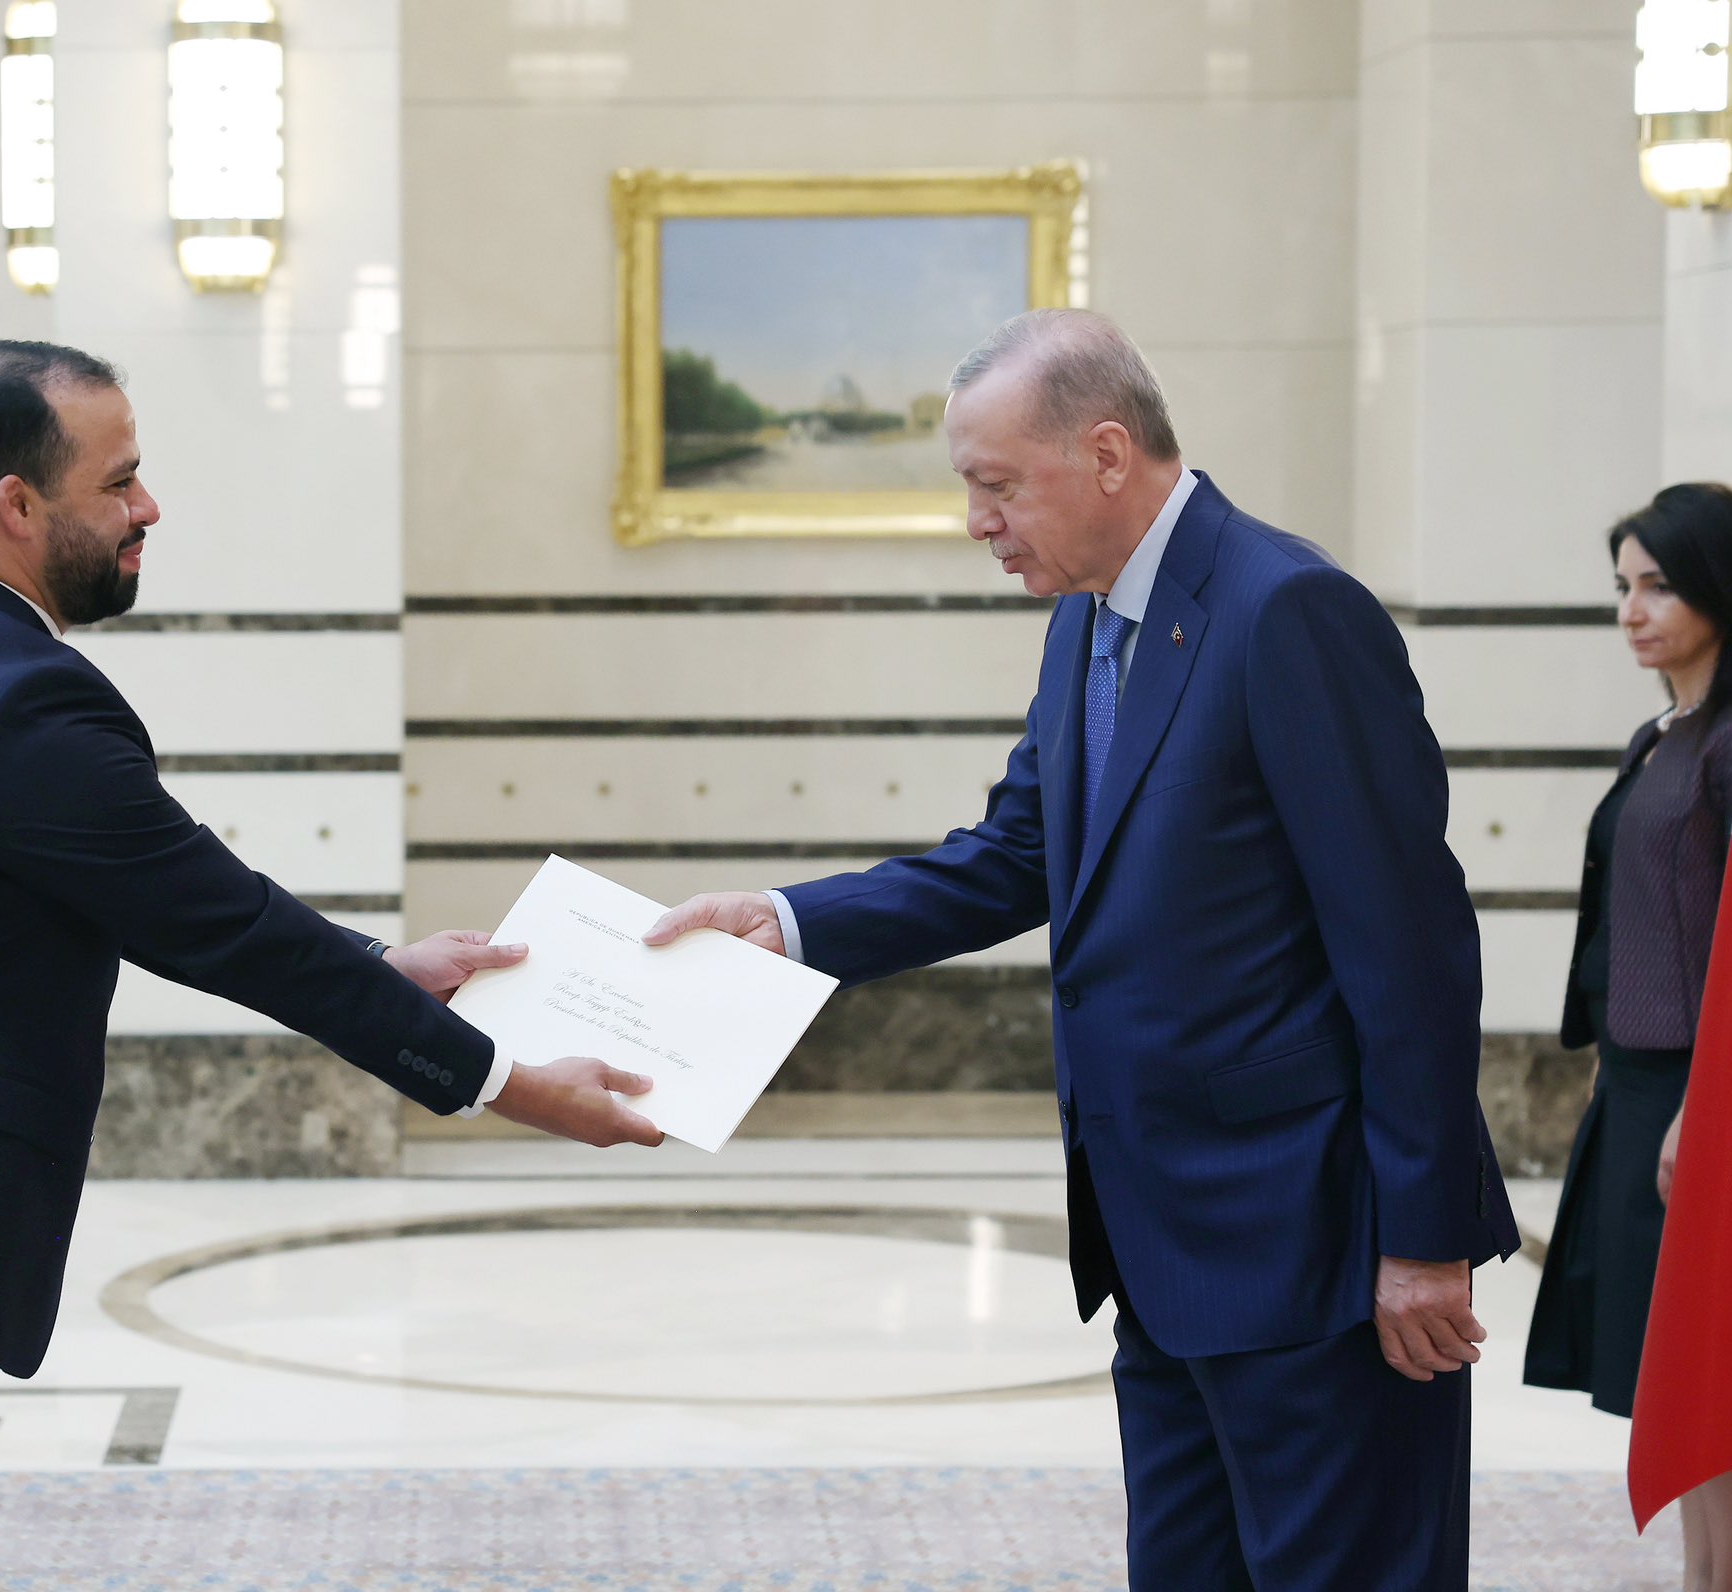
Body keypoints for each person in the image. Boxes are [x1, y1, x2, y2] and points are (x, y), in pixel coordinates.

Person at [0, 339, 661, 1592]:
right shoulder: (15, 700)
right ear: (16, 504)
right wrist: (510, 1083)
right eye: (118, 481)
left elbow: (187, 900)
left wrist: (382, 961)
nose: (148, 507)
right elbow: (224, 926)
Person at [646, 308, 1519, 1590]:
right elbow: (1016, 853)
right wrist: (783, 921)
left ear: (1106, 453)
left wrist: (1423, 1238)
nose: (976, 522)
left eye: (995, 484)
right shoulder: (1085, 620)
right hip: (1154, 1248)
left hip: (1311, 1244)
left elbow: (1407, 943)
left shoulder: (1287, 610)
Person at [1526, 482, 1732, 1588]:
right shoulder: (1662, 735)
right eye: (1621, 586)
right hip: (1640, 1080)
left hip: (1703, 1087)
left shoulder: (1725, 746)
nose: (1631, 610)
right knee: (1676, 1377)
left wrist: (1704, 1105)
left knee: (1709, 1370)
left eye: (1658, 585)